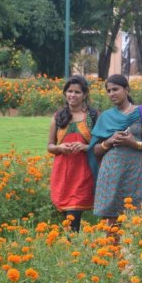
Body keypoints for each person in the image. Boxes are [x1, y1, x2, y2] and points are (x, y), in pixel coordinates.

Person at [88, 74, 142, 228]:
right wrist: (109, 141)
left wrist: (135, 143)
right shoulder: (105, 117)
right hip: (110, 172)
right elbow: (95, 150)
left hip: (134, 171)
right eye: (108, 90)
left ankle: (129, 251)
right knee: (110, 217)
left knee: (133, 216)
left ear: (126, 89)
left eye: (116, 89)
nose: (112, 93)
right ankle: (111, 251)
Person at [47, 75, 98, 232]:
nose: (72, 95)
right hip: (63, 173)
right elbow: (50, 146)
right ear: (65, 93)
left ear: (84, 95)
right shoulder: (58, 117)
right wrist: (60, 148)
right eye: (69, 91)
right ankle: (73, 248)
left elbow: (102, 144)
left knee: (73, 216)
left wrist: (85, 147)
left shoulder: (93, 116)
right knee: (67, 220)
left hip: (84, 172)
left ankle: (73, 249)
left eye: (77, 92)